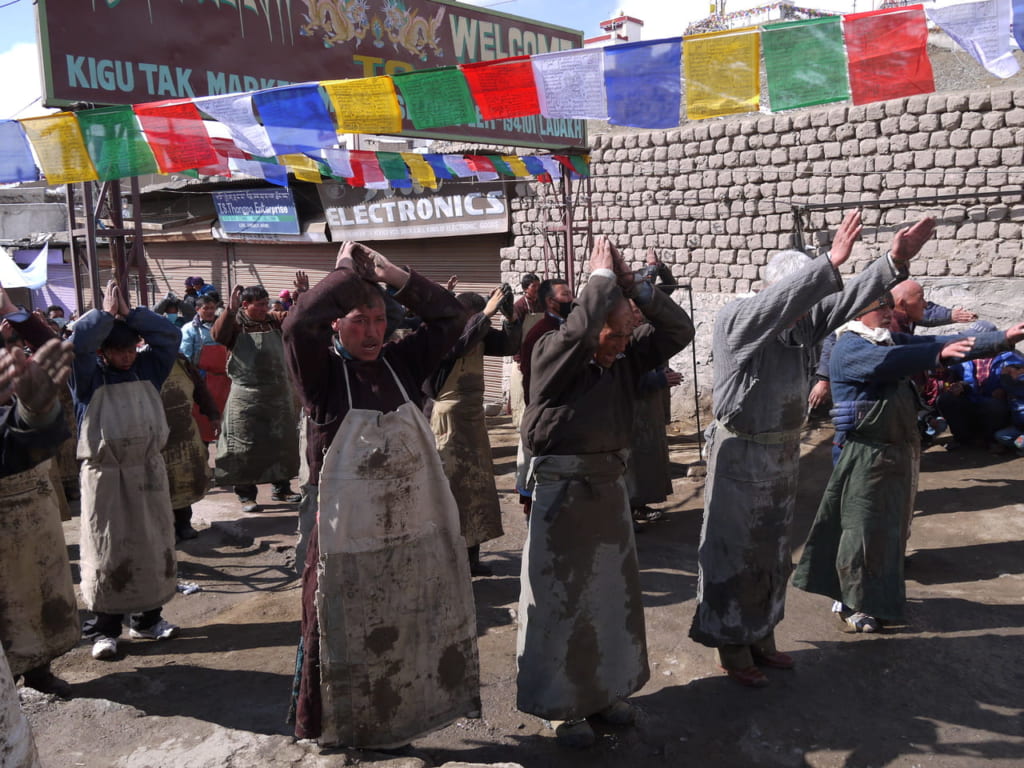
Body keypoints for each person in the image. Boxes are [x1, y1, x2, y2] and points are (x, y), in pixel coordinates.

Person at [689, 211, 934, 688]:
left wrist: (893, 261)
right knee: (732, 552)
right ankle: (730, 643)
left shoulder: (799, 328)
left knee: (774, 553)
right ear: (782, 296)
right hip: (741, 457)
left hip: (780, 456)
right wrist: (829, 261)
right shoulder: (739, 320)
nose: (808, 313)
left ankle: (761, 632)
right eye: (801, 300)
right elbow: (789, 302)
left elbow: (847, 302)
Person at [283, 242, 479, 749]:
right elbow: (296, 325)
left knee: (402, 625)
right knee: (334, 628)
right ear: (336, 325)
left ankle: (399, 722)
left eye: (378, 320)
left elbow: (450, 317)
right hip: (344, 537)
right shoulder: (322, 376)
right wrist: (348, 272)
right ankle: (338, 731)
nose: (371, 332)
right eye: (357, 320)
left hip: (407, 530)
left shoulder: (404, 363)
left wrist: (394, 276)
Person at [517, 237, 694, 748]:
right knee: (560, 602)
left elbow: (677, 328)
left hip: (610, 490)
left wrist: (637, 284)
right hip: (561, 497)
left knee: (608, 599)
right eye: (612, 335)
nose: (620, 344)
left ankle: (603, 690)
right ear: (591, 326)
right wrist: (599, 281)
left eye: (626, 335)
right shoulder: (554, 353)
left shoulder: (628, 359)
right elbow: (576, 336)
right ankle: (560, 704)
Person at [793, 296, 1024, 632]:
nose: (889, 314)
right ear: (859, 312)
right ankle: (850, 602)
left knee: (890, 533)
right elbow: (893, 360)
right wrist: (934, 355)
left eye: (890, 307)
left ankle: (877, 597)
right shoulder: (850, 347)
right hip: (864, 456)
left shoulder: (887, 339)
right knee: (859, 533)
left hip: (896, 453)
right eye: (880, 308)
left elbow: (938, 340)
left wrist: (1004, 337)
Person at [71, 281, 182, 661]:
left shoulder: (149, 368)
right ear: (103, 351)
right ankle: (103, 630)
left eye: (132, 348)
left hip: (148, 470)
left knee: (152, 545)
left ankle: (148, 619)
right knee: (106, 549)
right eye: (118, 350)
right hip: (105, 476)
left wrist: (131, 314)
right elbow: (78, 344)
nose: (127, 356)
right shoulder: (87, 377)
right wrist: (102, 315)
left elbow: (169, 335)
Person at [0, 334, 73, 768]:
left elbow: (21, 444)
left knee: (31, 597)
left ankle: (38, 670)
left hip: (23, 516)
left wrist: (36, 411)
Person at [427, 285, 519, 577]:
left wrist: (510, 318)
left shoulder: (478, 332)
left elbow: (509, 346)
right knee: (451, 491)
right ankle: (447, 562)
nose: (480, 320)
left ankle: (471, 559)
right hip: (448, 423)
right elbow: (460, 346)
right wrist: (486, 315)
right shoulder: (442, 334)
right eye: (476, 315)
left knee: (475, 491)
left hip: (473, 420)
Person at [212, 278, 305, 512]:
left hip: (279, 395)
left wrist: (301, 297)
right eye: (259, 305)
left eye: (266, 303)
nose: (265, 309)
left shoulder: (275, 321)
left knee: (281, 443)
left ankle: (282, 489)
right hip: (245, 397)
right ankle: (246, 495)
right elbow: (217, 336)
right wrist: (229, 311)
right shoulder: (235, 325)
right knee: (244, 446)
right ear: (245, 305)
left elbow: (300, 322)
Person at [515, 278, 574, 517]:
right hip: (546, 417)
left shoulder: (565, 327)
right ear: (550, 301)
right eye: (566, 295)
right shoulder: (541, 332)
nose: (572, 299)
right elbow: (533, 380)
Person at [161, 353, 220, 541]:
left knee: (184, 482)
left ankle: (184, 524)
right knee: (162, 484)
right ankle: (166, 528)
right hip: (156, 437)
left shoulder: (181, 361)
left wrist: (213, 414)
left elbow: (200, 390)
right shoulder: (139, 361)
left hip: (184, 433)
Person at [180, 293, 229, 443]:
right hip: (202, 380)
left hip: (224, 382)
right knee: (203, 422)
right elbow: (185, 357)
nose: (209, 311)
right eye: (205, 308)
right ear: (197, 309)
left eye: (212, 308)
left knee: (226, 421)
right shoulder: (190, 329)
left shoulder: (222, 326)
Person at [509, 273, 542, 428]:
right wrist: (518, 358)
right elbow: (515, 333)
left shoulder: (542, 304)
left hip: (539, 351)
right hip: (524, 353)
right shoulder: (519, 306)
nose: (537, 289)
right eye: (533, 286)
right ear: (525, 289)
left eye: (538, 285)